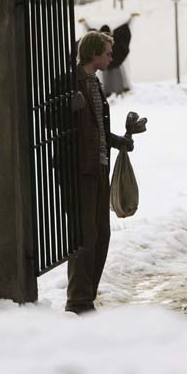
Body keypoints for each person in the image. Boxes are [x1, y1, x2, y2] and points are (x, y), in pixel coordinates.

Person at [67, 30, 135, 314]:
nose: (111, 57)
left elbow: (97, 129)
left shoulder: (94, 82)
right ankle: (78, 300)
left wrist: (121, 140)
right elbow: (49, 121)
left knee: (101, 235)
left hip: (99, 169)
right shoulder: (70, 83)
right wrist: (66, 108)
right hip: (80, 171)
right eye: (107, 52)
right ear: (94, 53)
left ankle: (87, 297)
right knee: (84, 237)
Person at [79, 15, 138, 97]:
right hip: (109, 66)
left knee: (114, 81)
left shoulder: (112, 40)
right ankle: (111, 93)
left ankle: (116, 93)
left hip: (112, 65)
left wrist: (131, 18)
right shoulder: (100, 42)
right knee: (109, 82)